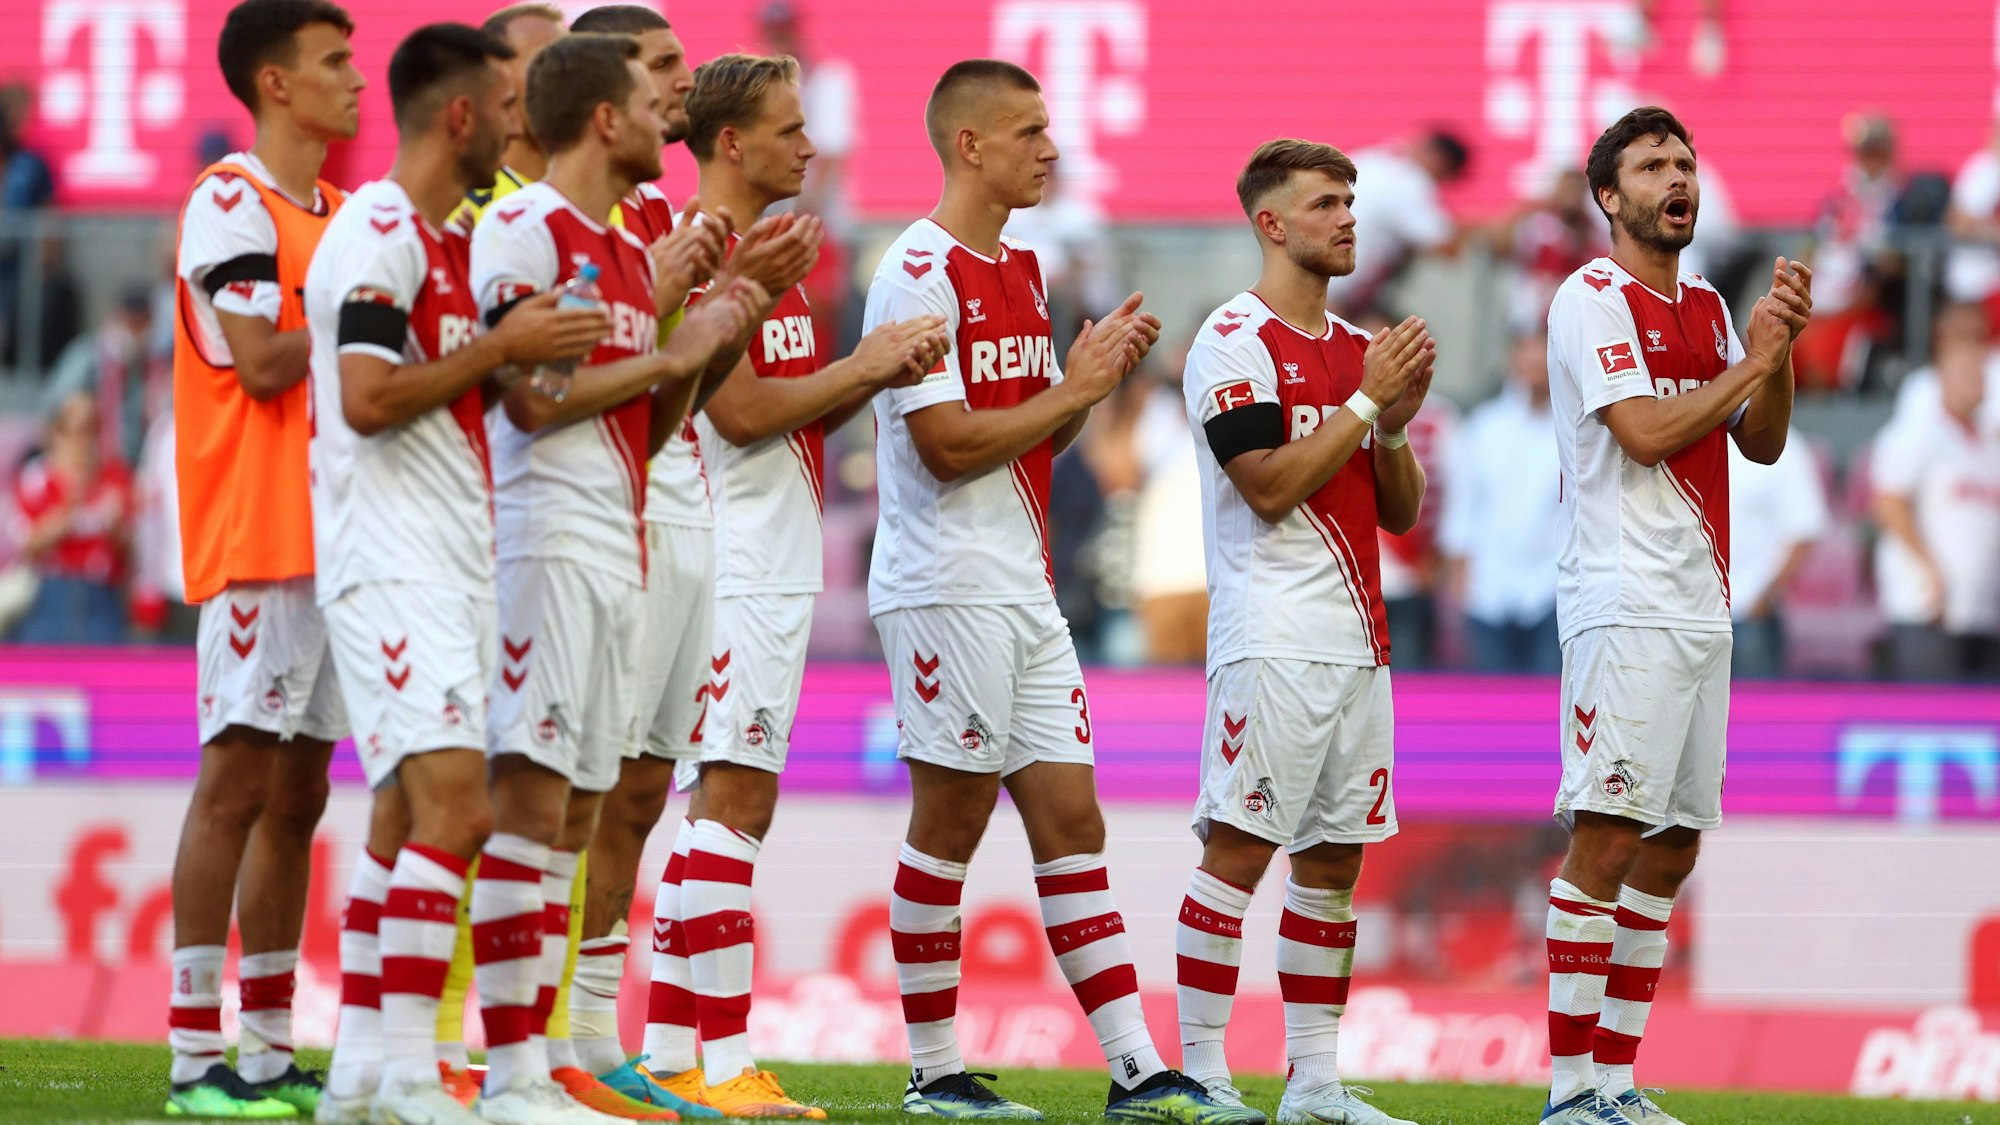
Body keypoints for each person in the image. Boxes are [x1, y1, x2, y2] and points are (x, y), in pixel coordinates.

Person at [864, 59, 1243, 1124]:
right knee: (949, 818)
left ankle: (1134, 1073)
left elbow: (1030, 439)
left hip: (1020, 585)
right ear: (968, 144)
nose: (1050, 148)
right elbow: (941, 449)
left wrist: (1084, 390)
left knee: (1072, 818)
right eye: (1028, 131)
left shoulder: (1022, 270)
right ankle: (933, 1071)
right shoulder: (914, 270)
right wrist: (1070, 391)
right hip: (943, 585)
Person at [304, 23, 616, 1125]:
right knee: (455, 806)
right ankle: (415, 1080)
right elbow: (367, 398)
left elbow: (460, 389)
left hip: (446, 556)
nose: (518, 118)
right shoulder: (379, 232)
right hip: (389, 560)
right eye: (505, 101)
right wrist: (499, 347)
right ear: (459, 116)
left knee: (403, 817)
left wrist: (527, 350)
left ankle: (357, 1074)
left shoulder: (441, 241)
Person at [636, 52, 946, 1117]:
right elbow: (741, 414)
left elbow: (779, 408)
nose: (808, 145)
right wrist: (870, 363)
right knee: (731, 801)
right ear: (730, 144)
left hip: (754, 553)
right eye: (786, 127)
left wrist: (867, 371)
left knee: (715, 808)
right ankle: (724, 1070)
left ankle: (670, 1053)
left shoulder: (757, 253)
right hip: (731, 558)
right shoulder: (710, 257)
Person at [467, 31, 758, 1124]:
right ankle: (503, 1070)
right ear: (602, 118)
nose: (664, 112)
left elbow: (654, 417)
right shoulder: (521, 227)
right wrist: (685, 350)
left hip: (614, 542)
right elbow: (532, 397)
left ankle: (547, 1061)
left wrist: (717, 333)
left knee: (583, 806)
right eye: (647, 96)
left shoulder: (622, 252)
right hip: (540, 545)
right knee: (532, 804)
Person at [1541, 106, 1810, 1125]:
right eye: (1651, 165)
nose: (1675, 177)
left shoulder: (1704, 304)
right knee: (1609, 835)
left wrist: (1773, 353)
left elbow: (1764, 444)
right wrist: (1754, 359)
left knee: (1671, 845)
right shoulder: (1590, 297)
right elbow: (1646, 434)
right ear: (1608, 197)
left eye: (1685, 162)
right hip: (1623, 599)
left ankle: (1615, 1080)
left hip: (1700, 605)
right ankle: (1569, 1089)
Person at [1174, 138, 1435, 1125]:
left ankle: (1314, 1086)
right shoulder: (1230, 341)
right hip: (1271, 634)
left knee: (1332, 864)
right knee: (1239, 851)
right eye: (1324, 203)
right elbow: (1270, 485)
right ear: (1269, 223)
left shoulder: (1353, 345)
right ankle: (1198, 1073)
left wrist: (1394, 428)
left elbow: (1398, 514)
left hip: (1357, 638)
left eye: (1349, 201)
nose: (1346, 218)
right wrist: (1367, 398)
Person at [164, 0, 364, 1115]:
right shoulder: (229, 199)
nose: (357, 81)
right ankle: (195, 1058)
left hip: (336, 534)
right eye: (335, 62)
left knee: (299, 794)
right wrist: (389, 328)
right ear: (276, 83)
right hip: (257, 532)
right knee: (234, 783)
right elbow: (262, 360)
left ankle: (267, 1046)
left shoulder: (340, 210)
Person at [1871, 335, 2000, 681]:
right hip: (1927, 607)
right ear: (1942, 378)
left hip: (1982, 610)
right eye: (1966, 374)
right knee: (1931, 716)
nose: (1977, 382)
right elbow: (1889, 503)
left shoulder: (1988, 443)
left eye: (1981, 374)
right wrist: (1929, 569)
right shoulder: (1918, 433)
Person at [1439, 331, 1563, 674]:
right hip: (1487, 590)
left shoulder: (1575, 431)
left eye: (1543, 362)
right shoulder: (1484, 427)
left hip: (1551, 590)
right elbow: (1463, 506)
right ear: (1513, 364)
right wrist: (1458, 579)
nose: (1535, 370)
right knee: (1491, 703)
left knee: (1550, 703)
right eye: (1528, 361)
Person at [9, 390, 134, 644]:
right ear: (57, 432)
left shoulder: (114, 477)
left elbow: (131, 554)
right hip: (50, 595)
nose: (84, 439)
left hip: (101, 598)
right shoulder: (37, 478)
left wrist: (116, 529)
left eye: (91, 427)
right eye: (76, 429)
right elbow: (26, 545)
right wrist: (67, 510)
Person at [447, 2, 567, 235]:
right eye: (547, 61)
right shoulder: (462, 210)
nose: (568, 77)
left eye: (572, 63)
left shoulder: (606, 204)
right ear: (497, 77)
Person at [1322, 129, 1466, 317]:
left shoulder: (1371, 159)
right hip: (1331, 293)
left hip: (1302, 274)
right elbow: (1447, 247)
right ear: (1441, 161)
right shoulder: (1411, 182)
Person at [1726, 438, 1828, 679]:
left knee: (1757, 710)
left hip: (1749, 612)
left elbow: (1804, 530)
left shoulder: (1785, 447)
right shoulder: (1691, 436)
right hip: (1691, 614)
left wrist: (1766, 598)